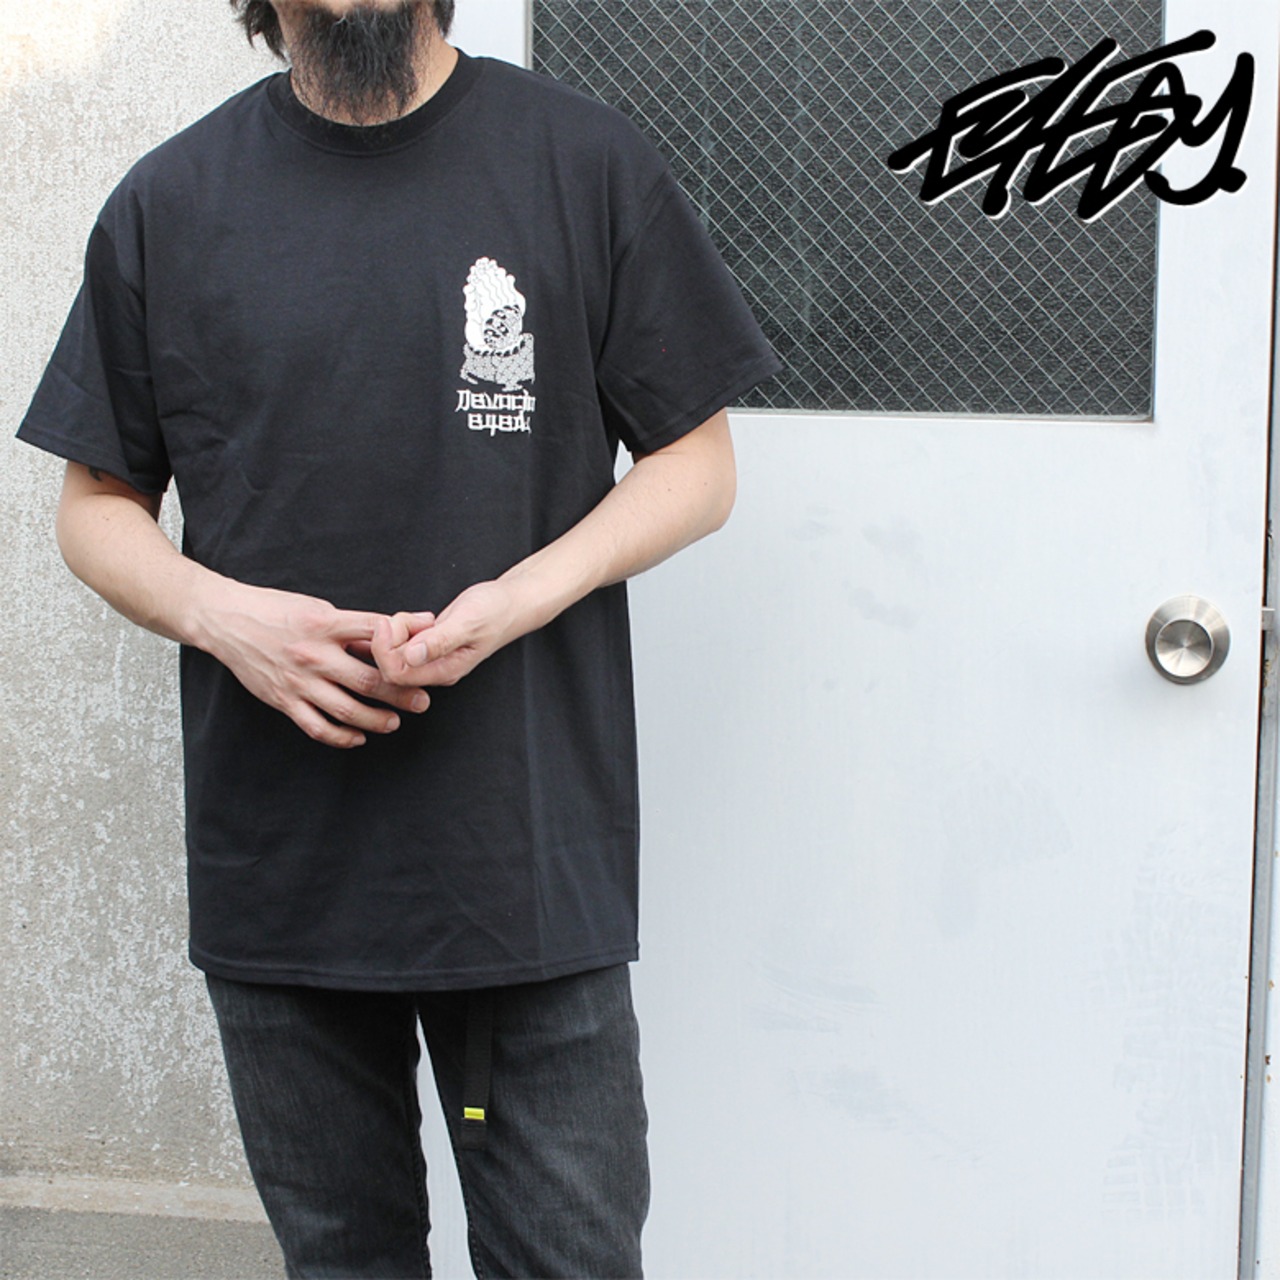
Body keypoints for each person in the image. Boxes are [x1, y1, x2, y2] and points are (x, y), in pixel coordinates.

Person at [17, 1, 780, 1276]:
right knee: (341, 1259)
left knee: (570, 1257)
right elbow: (95, 507)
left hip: (522, 859)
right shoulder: (172, 202)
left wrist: (520, 595)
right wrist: (224, 617)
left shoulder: (582, 163)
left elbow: (695, 466)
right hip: (283, 871)